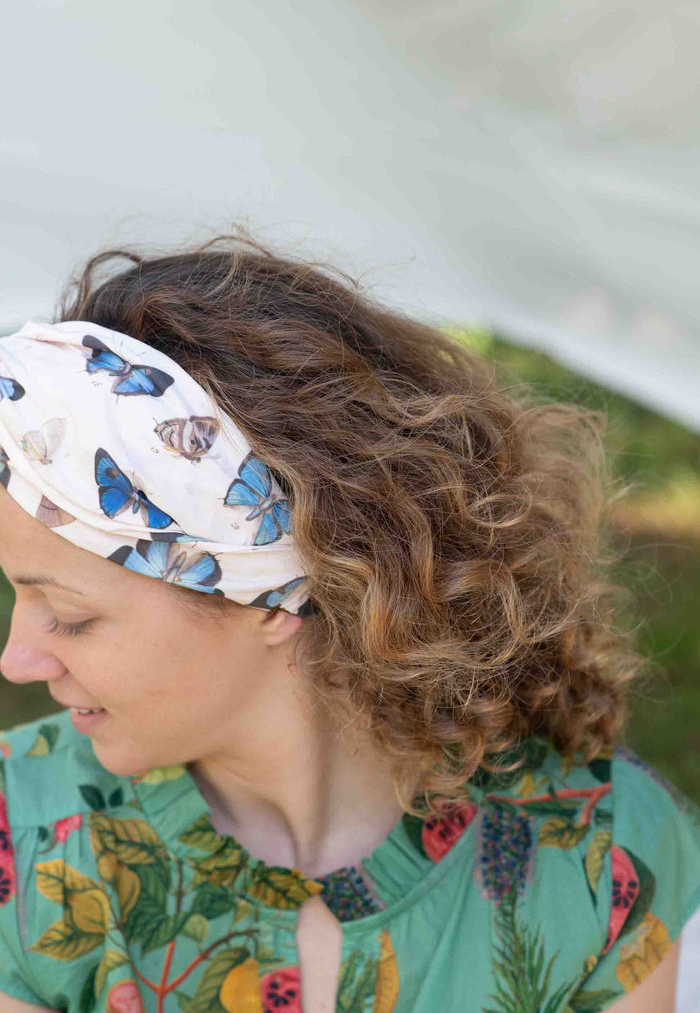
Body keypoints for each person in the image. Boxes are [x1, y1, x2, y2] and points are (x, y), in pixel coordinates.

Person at [0, 228, 698, 1013]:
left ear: (267, 595)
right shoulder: (24, 835)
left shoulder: (597, 855)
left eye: (69, 615)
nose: (16, 660)